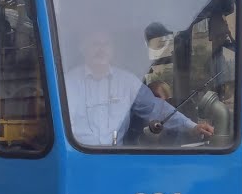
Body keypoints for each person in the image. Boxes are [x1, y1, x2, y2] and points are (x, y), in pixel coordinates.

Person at [64, 29, 214, 146]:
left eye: (106, 44)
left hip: (115, 158)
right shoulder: (68, 82)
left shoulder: (127, 81)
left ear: (112, 50)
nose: (101, 49)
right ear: (83, 48)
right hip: (78, 158)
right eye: (95, 44)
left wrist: (192, 127)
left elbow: (157, 108)